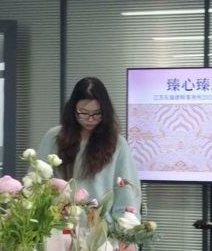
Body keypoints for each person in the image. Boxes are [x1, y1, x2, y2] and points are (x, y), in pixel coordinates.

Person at [38, 77, 139, 213]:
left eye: (97, 113)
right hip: (59, 221)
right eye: (84, 113)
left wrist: (126, 222)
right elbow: (38, 183)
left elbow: (127, 195)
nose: (90, 119)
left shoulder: (117, 143)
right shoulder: (54, 137)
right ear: (73, 109)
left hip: (100, 224)